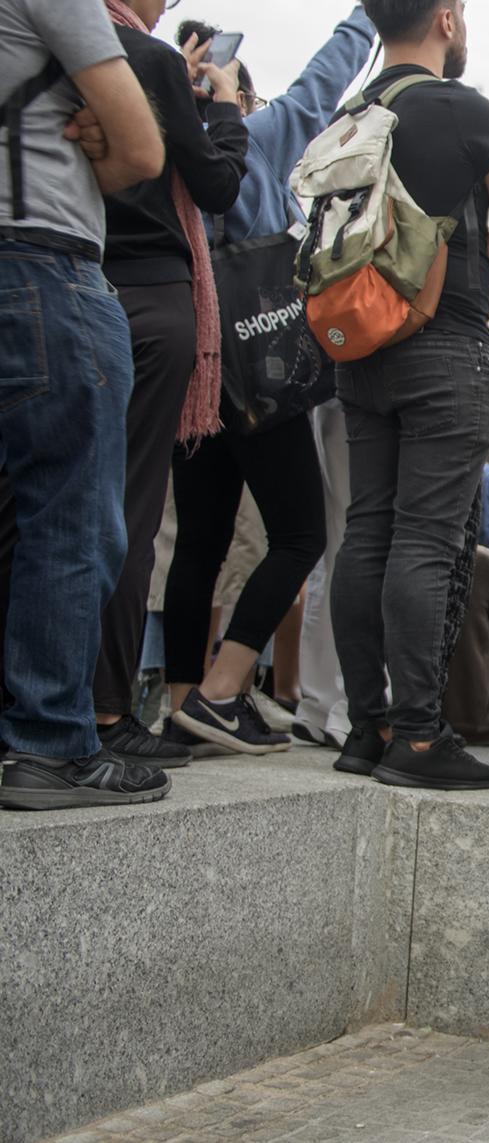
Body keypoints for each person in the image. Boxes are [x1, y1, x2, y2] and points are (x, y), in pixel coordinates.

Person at [330, 0, 489, 790]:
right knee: (427, 538)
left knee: (368, 530)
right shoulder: (461, 109)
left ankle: (370, 726)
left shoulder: (354, 110)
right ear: (448, 20)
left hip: (360, 344)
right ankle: (422, 738)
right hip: (445, 347)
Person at [161, 6, 378, 757]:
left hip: (188, 369)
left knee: (200, 539)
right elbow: (328, 75)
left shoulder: (160, 148)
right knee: (301, 533)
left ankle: (181, 700)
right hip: (257, 364)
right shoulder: (253, 137)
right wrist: (365, 14)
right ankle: (225, 692)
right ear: (236, 97)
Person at [0, 0, 166, 809]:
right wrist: (98, 141)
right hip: (44, 262)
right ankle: (50, 742)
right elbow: (140, 147)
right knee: (72, 515)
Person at [78, 0, 248, 768]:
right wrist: (230, 111)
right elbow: (215, 184)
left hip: (63, 276)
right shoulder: (142, 62)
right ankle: (109, 708)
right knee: (128, 511)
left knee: (43, 504)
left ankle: (37, 695)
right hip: (148, 298)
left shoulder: (48, 51)